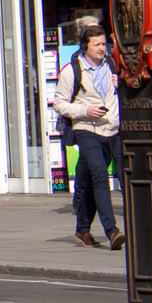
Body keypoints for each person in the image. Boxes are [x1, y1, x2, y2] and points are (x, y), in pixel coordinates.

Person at [52, 24, 125, 250]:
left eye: (104, 44)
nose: (102, 49)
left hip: (112, 130)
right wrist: (85, 110)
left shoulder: (111, 64)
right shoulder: (71, 71)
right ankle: (112, 232)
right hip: (87, 130)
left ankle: (83, 229)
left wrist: (120, 85)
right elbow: (59, 104)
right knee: (100, 178)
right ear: (86, 47)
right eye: (97, 45)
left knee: (91, 183)